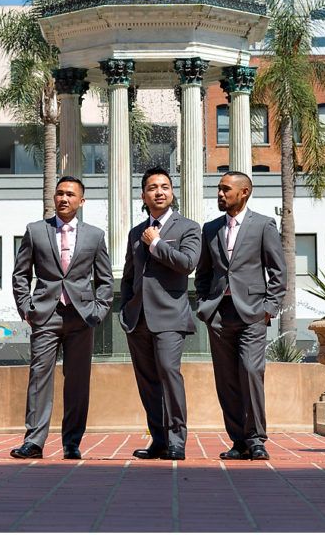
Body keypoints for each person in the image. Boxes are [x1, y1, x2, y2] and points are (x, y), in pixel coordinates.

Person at [10, 176, 113, 460]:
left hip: (82, 318)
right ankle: (34, 442)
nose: (63, 199)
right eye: (59, 194)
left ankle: (72, 442)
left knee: (77, 381)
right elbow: (21, 274)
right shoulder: (35, 231)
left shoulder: (94, 235)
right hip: (45, 315)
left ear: (81, 201)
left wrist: (99, 310)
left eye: (70, 194)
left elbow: (105, 280)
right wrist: (26, 308)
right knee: (39, 377)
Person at [195, 171, 287, 461]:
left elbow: (278, 272)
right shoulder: (210, 228)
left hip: (252, 314)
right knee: (226, 380)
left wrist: (268, 309)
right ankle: (239, 441)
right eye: (219, 190)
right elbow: (203, 273)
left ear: (244, 192)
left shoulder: (263, 225)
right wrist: (203, 305)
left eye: (225, 189)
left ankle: (256, 438)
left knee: (250, 372)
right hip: (219, 315)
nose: (220, 194)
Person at [119, 167, 201, 461]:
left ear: (172, 192)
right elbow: (129, 276)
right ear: (144, 195)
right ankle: (159, 440)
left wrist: (155, 243)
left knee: (169, 374)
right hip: (137, 318)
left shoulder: (188, 228)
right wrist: (126, 308)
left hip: (169, 316)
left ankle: (177, 440)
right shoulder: (134, 232)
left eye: (165, 186)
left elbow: (187, 263)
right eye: (153, 187)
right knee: (147, 382)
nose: (159, 191)